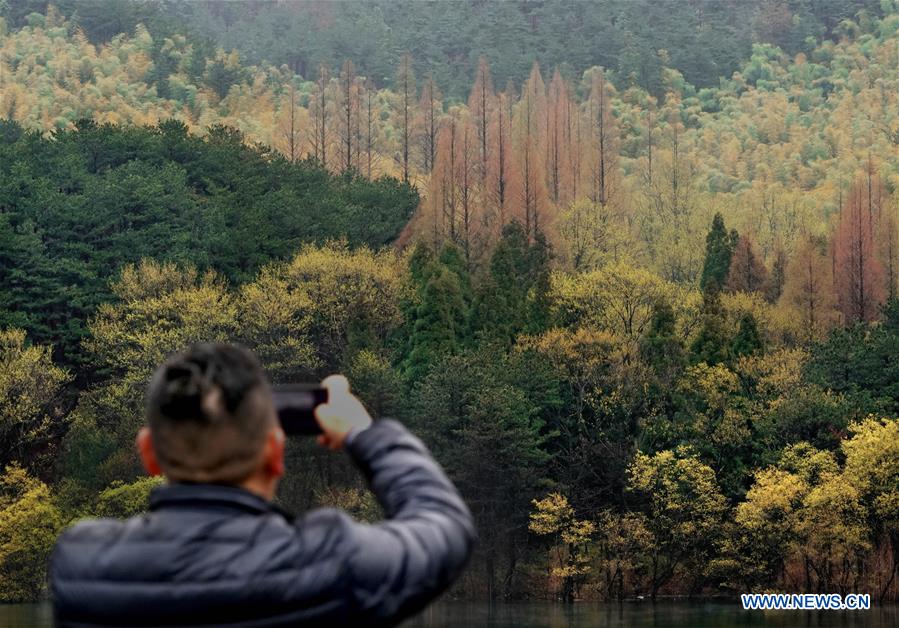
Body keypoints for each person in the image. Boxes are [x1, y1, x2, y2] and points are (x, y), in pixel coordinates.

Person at [50, 343, 475, 627]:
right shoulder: (330, 561)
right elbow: (445, 525)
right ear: (274, 453)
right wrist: (364, 435)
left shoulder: (80, 566)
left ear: (149, 454)